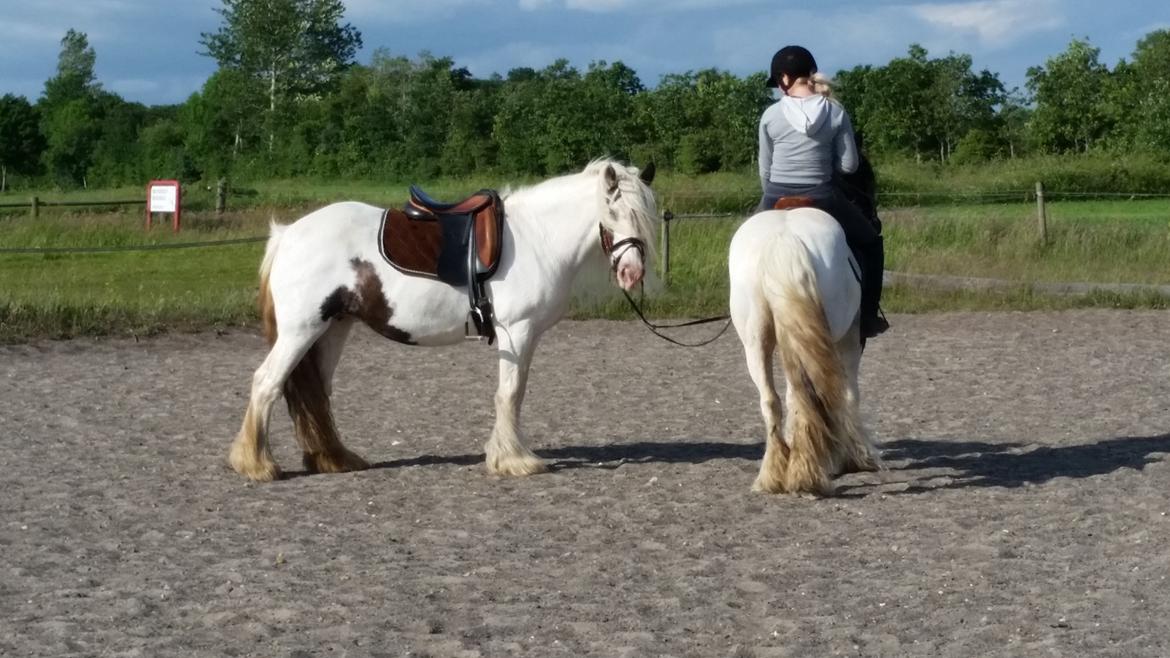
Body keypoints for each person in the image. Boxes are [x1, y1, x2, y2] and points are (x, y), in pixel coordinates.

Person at [758, 45, 888, 339]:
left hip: (775, 195)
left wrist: (773, 196)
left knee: (744, 244)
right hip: (823, 196)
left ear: (785, 79)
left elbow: (765, 170)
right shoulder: (835, 112)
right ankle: (868, 317)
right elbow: (850, 165)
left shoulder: (770, 115)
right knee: (871, 243)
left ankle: (745, 312)